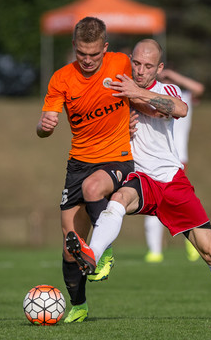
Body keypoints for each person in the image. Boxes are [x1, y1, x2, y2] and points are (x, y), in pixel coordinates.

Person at [65, 38, 211, 322]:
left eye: (148, 66)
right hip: (140, 178)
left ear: (159, 69)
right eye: (136, 63)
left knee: (210, 251)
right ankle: (93, 256)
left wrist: (136, 94)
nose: (141, 70)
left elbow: (179, 109)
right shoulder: (116, 88)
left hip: (172, 181)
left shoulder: (164, 89)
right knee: (118, 199)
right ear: (130, 60)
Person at [36, 16, 136, 323]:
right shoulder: (61, 79)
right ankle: (78, 306)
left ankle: (103, 252)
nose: (89, 60)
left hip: (116, 158)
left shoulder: (122, 64)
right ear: (74, 47)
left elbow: (148, 87)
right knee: (70, 247)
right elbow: (45, 127)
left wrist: (141, 116)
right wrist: (43, 126)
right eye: (82, 54)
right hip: (78, 163)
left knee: (95, 187)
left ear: (105, 48)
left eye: (95, 54)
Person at [144, 69, 204, 263]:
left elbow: (199, 88)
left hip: (177, 157)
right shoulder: (151, 96)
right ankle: (155, 251)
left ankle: (193, 240)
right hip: (152, 156)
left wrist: (172, 76)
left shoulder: (182, 96)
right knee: (154, 203)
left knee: (177, 202)